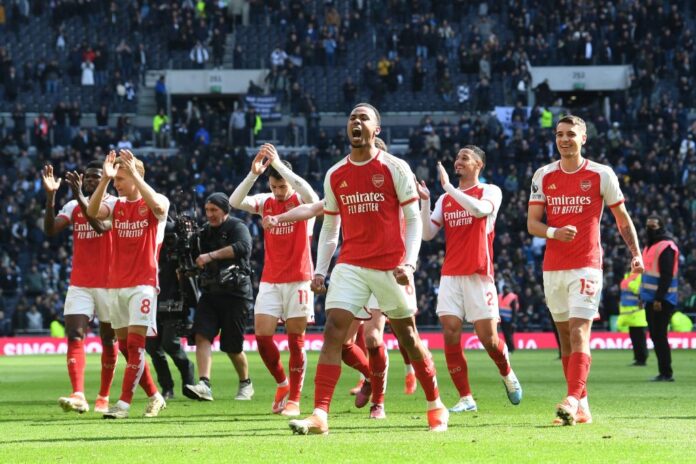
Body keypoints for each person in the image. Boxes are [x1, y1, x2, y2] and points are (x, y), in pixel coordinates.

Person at [288, 103, 448, 435]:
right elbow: (330, 228)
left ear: (377, 129)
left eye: (364, 118)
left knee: (408, 337)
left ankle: (435, 404)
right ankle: (319, 415)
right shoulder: (335, 174)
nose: (356, 122)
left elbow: (413, 220)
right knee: (333, 331)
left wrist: (409, 262)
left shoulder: (395, 167)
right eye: (352, 118)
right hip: (351, 264)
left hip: (390, 265)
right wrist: (320, 270)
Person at [527, 115, 644, 426]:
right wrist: (554, 232)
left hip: (587, 266)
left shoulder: (601, 174)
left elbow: (622, 218)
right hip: (553, 268)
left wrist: (636, 254)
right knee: (565, 339)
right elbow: (532, 224)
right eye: (559, 134)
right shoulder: (543, 175)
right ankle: (582, 406)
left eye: (571, 134)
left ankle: (571, 399)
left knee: (579, 331)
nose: (564, 139)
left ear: (583, 139)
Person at [420, 147, 522, 414]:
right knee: (450, 332)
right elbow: (428, 234)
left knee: (489, 339)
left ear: (479, 164)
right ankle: (466, 397)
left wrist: (447, 188)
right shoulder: (445, 199)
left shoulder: (490, 191)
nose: (458, 161)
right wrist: (426, 202)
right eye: (457, 157)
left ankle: (507, 373)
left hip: (479, 273)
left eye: (465, 157)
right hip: (451, 275)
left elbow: (478, 211)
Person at [229, 143, 319, 416]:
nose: (278, 192)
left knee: (296, 341)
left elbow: (311, 195)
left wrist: (278, 164)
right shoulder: (265, 202)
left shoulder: (302, 201)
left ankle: (295, 400)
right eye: (274, 186)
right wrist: (253, 175)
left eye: (282, 187)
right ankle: (282, 384)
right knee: (262, 337)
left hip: (299, 278)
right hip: (270, 280)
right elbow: (234, 202)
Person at [87, 150, 169, 419]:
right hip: (116, 284)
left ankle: (123, 404)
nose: (117, 184)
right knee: (125, 348)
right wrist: (104, 180)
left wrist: (134, 173)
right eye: (116, 179)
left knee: (135, 345)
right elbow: (92, 212)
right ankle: (155, 396)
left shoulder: (158, 201)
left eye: (121, 179)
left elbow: (159, 209)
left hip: (143, 283)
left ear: (136, 177)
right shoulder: (117, 205)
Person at [43, 161, 117, 414]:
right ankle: (78, 394)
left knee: (109, 339)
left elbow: (100, 227)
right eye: (88, 177)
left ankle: (104, 396)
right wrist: (51, 197)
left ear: (106, 179)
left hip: (109, 283)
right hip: (80, 283)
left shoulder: (115, 204)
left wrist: (79, 197)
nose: (91, 181)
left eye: (97, 176)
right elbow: (50, 230)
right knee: (74, 335)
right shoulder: (73, 205)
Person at [184, 192, 255, 402]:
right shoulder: (203, 233)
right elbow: (193, 256)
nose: (210, 214)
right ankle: (204, 384)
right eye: (207, 210)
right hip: (211, 293)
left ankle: (245, 383)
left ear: (225, 210)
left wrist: (210, 256)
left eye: (214, 210)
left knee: (232, 347)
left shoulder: (237, 226)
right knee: (201, 335)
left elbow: (243, 247)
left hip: (236, 295)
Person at [144, 207, 196, 400]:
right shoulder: (148, 245)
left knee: (170, 344)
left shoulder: (177, 247)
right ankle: (167, 387)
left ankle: (188, 378)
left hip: (174, 301)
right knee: (152, 347)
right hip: (151, 302)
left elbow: (189, 271)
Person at [640, 215, 679, 382]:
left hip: (662, 300)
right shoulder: (649, 246)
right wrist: (644, 296)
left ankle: (666, 373)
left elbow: (666, 275)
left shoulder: (666, 246)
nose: (649, 229)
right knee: (656, 336)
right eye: (648, 226)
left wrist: (658, 298)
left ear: (661, 227)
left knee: (660, 336)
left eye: (653, 226)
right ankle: (663, 371)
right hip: (651, 299)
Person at [616, 271, 648, 366]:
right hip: (629, 313)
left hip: (637, 313)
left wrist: (629, 283)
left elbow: (641, 291)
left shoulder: (641, 277)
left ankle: (642, 359)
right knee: (634, 338)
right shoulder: (627, 275)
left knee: (639, 338)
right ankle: (638, 358)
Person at [498, 285, 519, 354]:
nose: (506, 290)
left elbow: (514, 311)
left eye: (507, 289)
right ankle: (509, 348)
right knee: (506, 335)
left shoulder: (512, 297)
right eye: (505, 289)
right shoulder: (500, 296)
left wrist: (513, 321)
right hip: (502, 319)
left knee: (508, 335)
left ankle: (511, 349)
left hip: (509, 319)